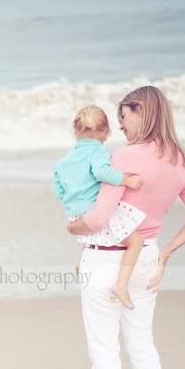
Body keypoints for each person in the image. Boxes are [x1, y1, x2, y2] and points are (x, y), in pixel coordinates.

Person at [66, 86, 185, 369]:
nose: (121, 125)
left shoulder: (123, 156)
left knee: (105, 354)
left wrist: (74, 230)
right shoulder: (181, 161)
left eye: (125, 116)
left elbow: (100, 217)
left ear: (141, 112)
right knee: (143, 348)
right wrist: (165, 251)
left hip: (105, 261)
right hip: (146, 257)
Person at [53, 104, 145, 310]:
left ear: (75, 132)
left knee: (91, 235)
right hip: (96, 209)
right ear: (106, 132)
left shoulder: (62, 162)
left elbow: (59, 191)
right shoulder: (99, 151)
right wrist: (125, 180)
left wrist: (74, 202)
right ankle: (121, 285)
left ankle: (83, 260)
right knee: (136, 242)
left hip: (74, 213)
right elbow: (101, 173)